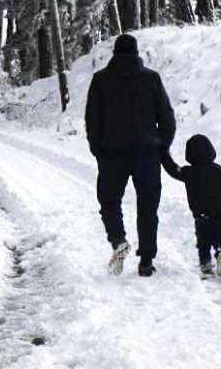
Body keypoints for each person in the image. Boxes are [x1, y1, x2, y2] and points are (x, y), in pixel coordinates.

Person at [85, 33, 176, 277]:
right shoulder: (151, 79)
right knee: (148, 206)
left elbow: (92, 118)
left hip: (112, 154)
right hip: (147, 154)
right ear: (136, 53)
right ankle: (146, 260)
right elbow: (167, 117)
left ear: (114, 52)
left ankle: (118, 240)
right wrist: (162, 145)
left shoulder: (100, 80)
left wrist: (97, 149)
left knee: (109, 200)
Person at [161, 135, 221, 276]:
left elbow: (172, 169)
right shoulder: (220, 170)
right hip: (220, 216)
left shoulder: (189, 172)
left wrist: (164, 154)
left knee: (203, 244)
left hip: (201, 218)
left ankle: (206, 265)